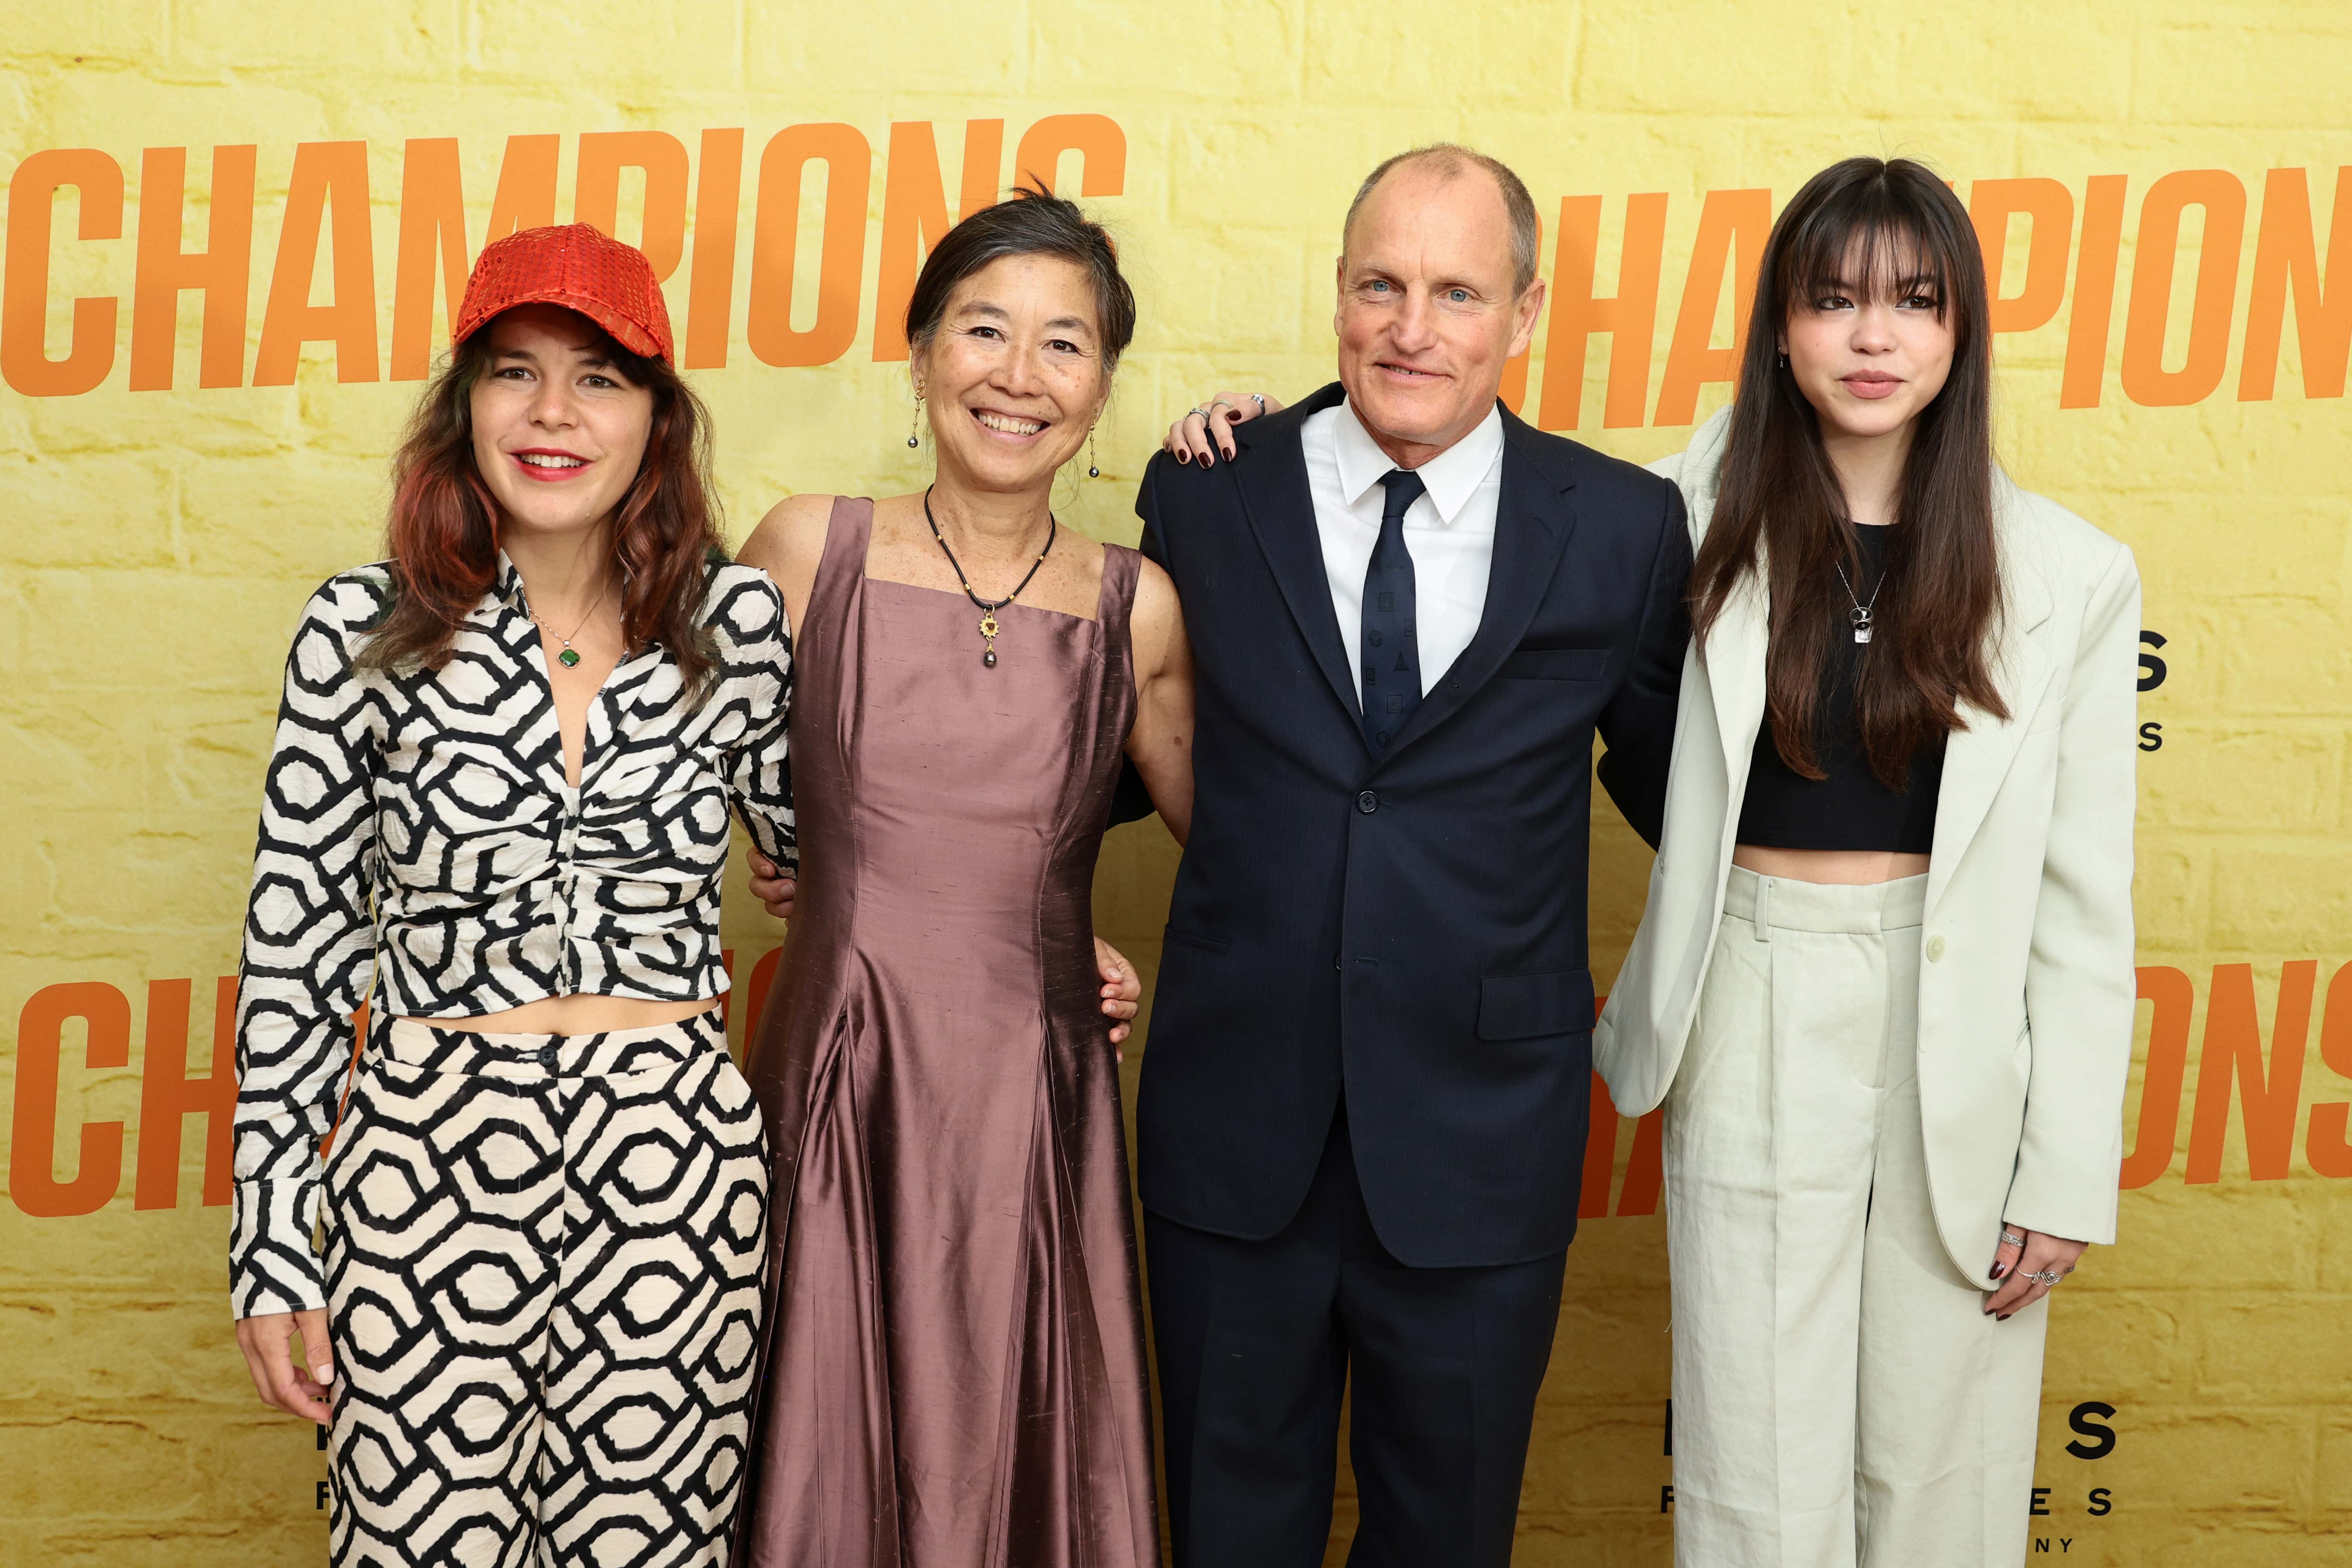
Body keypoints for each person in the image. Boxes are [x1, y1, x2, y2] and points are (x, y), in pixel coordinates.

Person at [1138, 144, 1690, 1568]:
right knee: (1220, 1533)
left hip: (1478, 1143)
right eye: (1379, 285)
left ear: (1524, 314)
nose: (1410, 329)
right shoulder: (1210, 490)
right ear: (1334, 292)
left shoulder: (1622, 528)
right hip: (1235, 1126)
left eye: (1457, 292)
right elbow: (1109, 754)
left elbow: (1688, 796)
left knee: (1445, 1539)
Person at [1603, 157, 2140, 1568]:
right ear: (1780, 326)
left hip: (1959, 1027)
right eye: (1831, 300)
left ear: (1959, 332)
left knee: (1942, 1474)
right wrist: (1255, 430)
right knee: (1748, 1465)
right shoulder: (1666, 519)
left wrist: (2064, 1170)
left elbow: (2083, 903)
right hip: (1749, 992)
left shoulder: (2065, 573)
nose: (1870, 337)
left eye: (1912, 302)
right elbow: (1462, 477)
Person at [229, 224, 794, 1565]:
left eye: (599, 378)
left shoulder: (741, 626)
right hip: (423, 1157)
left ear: (655, 418)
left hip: (675, 1170)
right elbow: (296, 950)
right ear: (462, 406)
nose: (553, 414)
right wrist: (272, 1247)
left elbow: (846, 860)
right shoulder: (361, 629)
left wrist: (1047, 945)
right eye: (514, 373)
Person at [728, 187, 1195, 1568]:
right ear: (923, 351)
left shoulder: (1138, 604)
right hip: (834, 1083)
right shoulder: (808, 550)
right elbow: (657, 790)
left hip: (1027, 1105)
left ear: (1103, 386)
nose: (1017, 374)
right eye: (983, 330)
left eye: (1064, 344)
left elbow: (1252, 855)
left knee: (1013, 1442)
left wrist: (1124, 955)